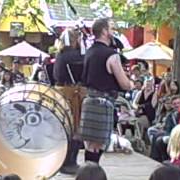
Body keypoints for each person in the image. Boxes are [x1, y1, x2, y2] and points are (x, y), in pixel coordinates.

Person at [80, 18, 133, 164]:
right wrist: (131, 83)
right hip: (103, 102)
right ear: (104, 31)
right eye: (111, 28)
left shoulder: (89, 52)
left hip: (89, 100)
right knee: (98, 145)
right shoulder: (111, 55)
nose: (114, 30)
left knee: (90, 147)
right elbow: (125, 84)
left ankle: (88, 173)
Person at [53, 27, 86, 174]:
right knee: (74, 128)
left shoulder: (60, 54)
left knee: (65, 128)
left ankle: (63, 161)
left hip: (61, 93)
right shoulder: (73, 56)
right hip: (71, 94)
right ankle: (69, 162)